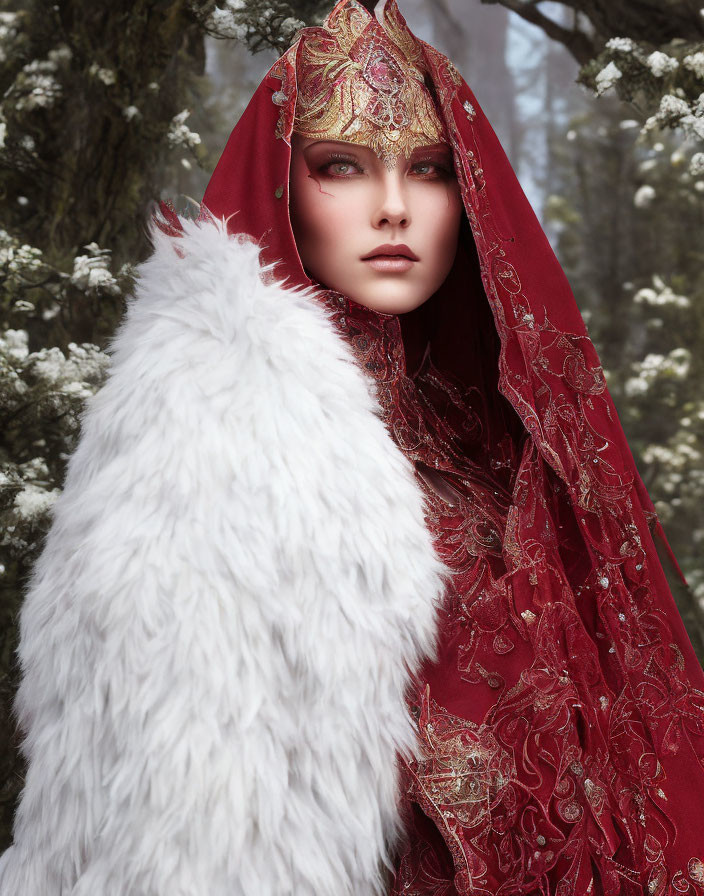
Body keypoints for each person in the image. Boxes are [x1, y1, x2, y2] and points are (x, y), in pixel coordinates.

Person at [1, 1, 703, 894]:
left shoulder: (501, 433)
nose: (395, 210)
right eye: (342, 167)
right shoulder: (204, 435)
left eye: (429, 170)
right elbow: (179, 814)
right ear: (285, 185)